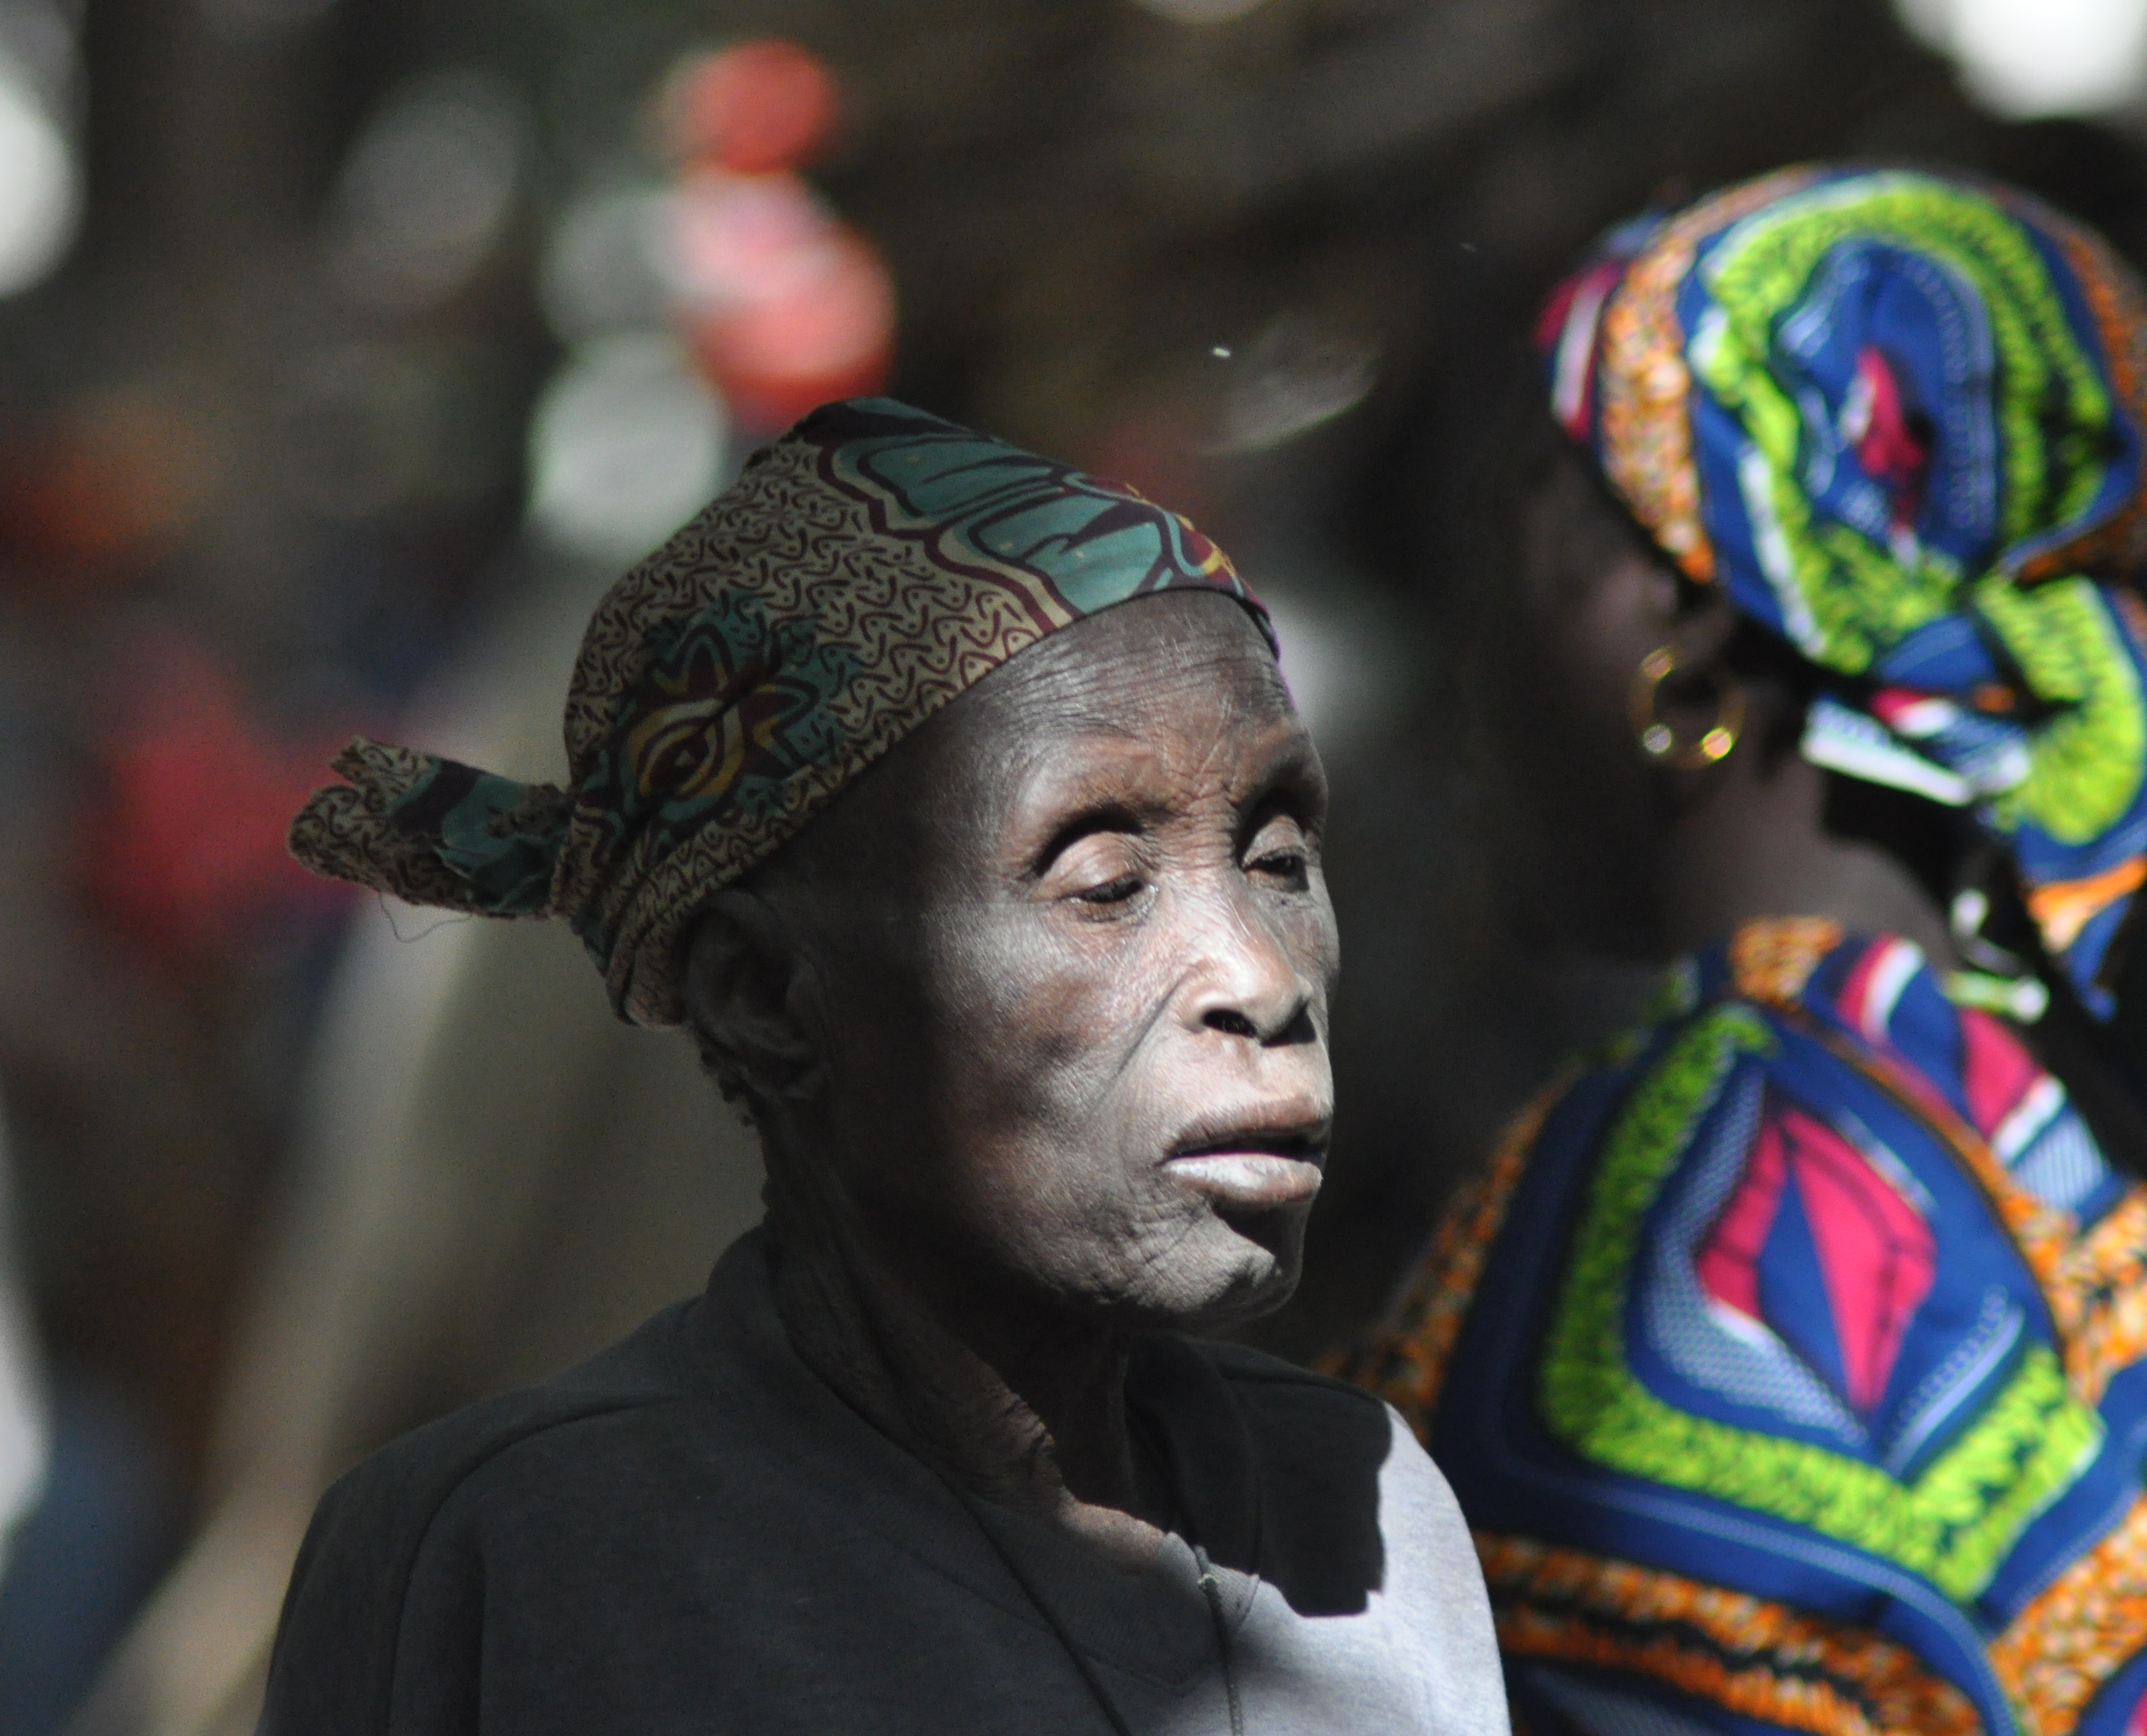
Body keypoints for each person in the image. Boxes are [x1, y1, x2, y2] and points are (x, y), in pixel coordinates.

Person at [1343, 168, 2147, 1736]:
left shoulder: (1665, 1226)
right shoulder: (2072, 1126)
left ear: (1669, 623)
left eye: (1514, 544)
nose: (1473, 649)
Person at [260, 398, 1505, 1735]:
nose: (1258, 977)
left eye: (1276, 857)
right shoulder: (517, 1561)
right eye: (1102, 881)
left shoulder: (1371, 1503)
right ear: (762, 993)